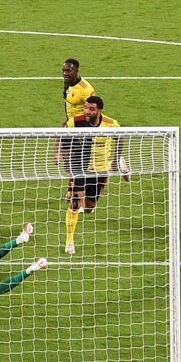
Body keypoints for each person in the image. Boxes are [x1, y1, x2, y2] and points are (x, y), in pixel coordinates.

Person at [62, 95, 128, 255]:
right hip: (81, 167)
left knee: (89, 208)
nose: (87, 111)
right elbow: (62, 136)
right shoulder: (76, 122)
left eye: (91, 109)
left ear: (99, 111)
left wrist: (117, 159)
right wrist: (63, 158)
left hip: (100, 169)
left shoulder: (110, 124)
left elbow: (120, 137)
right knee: (75, 204)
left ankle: (79, 190)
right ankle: (69, 241)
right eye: (85, 107)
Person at [56, 58, 97, 200]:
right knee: (68, 162)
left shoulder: (86, 90)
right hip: (69, 128)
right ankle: (72, 187)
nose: (65, 73)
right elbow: (69, 105)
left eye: (68, 70)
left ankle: (76, 191)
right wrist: (67, 121)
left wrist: (76, 122)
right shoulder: (67, 85)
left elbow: (94, 112)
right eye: (63, 70)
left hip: (82, 131)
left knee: (77, 163)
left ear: (77, 71)